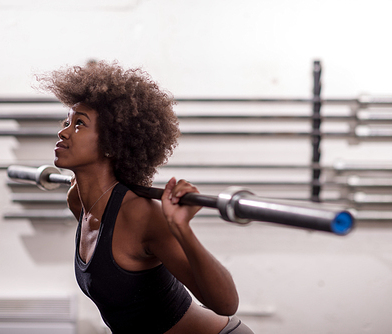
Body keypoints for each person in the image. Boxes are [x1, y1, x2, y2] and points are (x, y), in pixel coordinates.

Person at [37, 61, 254, 334]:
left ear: (111, 144)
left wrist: (181, 229)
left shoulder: (140, 215)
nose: (64, 131)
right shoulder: (79, 203)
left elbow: (226, 303)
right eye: (67, 121)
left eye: (79, 124)